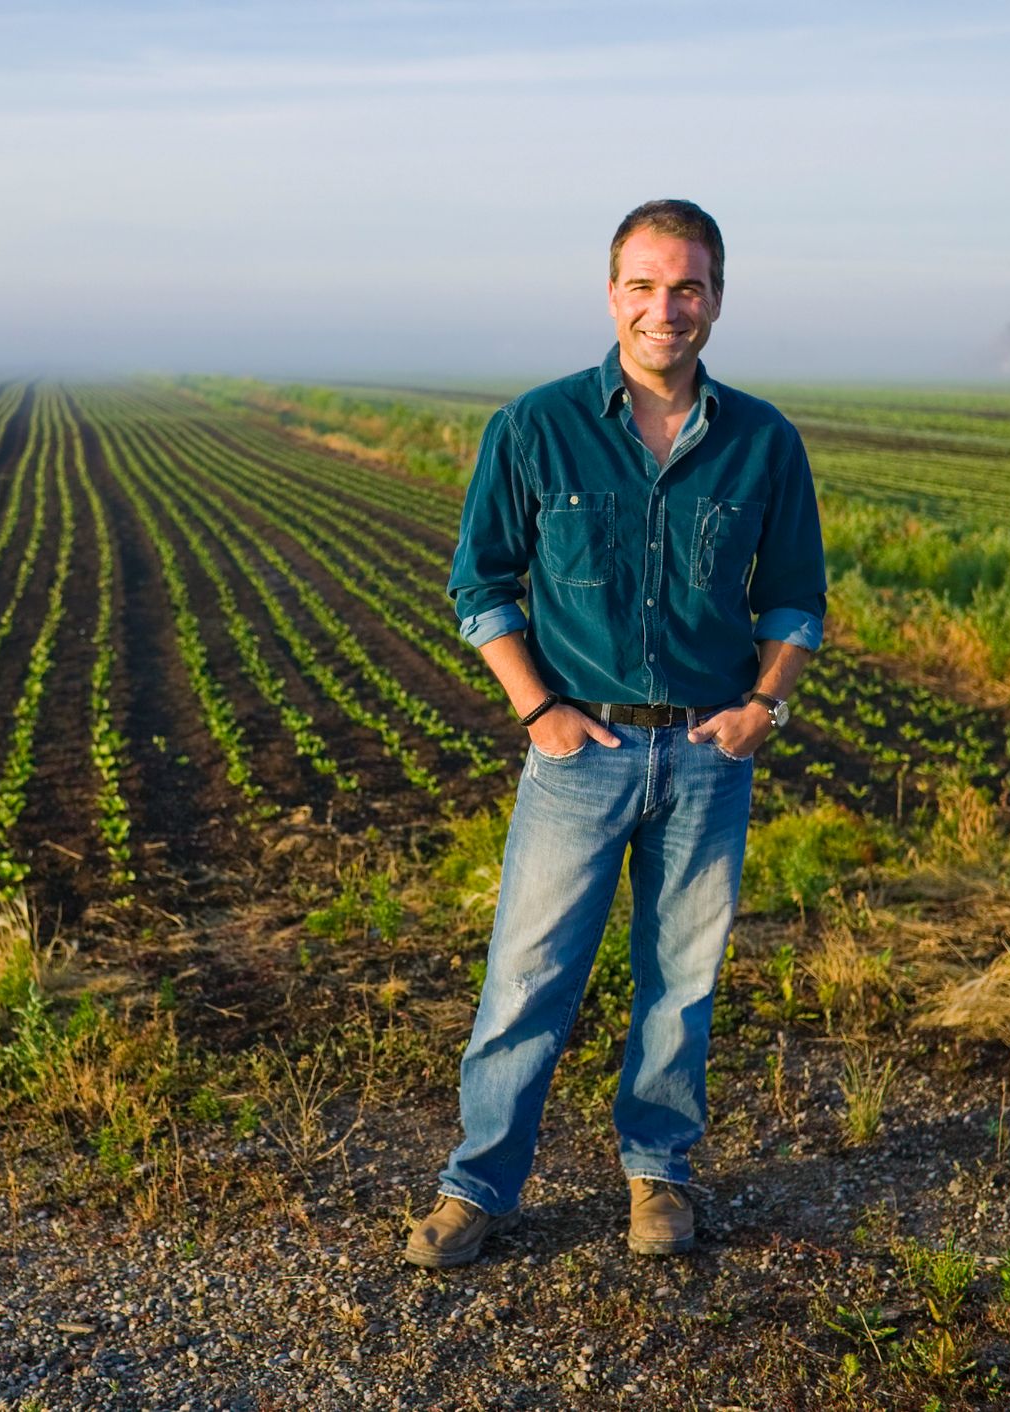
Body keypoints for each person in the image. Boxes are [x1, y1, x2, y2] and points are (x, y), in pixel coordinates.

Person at [405, 199, 827, 1268]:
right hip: (578, 757)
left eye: (686, 287)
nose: (664, 308)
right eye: (643, 285)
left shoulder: (762, 440)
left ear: (716, 300)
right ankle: (477, 1186)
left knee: (681, 983)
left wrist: (762, 708)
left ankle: (658, 1176)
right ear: (611, 295)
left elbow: (793, 600)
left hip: (705, 754)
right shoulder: (535, 426)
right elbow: (479, 582)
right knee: (528, 980)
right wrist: (538, 709)